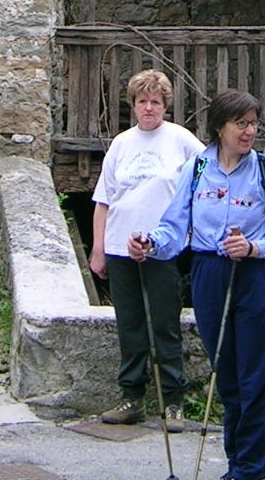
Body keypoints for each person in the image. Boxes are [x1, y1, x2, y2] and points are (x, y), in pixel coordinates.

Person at [129, 88, 265, 480]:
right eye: (241, 124)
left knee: (255, 378)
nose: (250, 132)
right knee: (225, 377)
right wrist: (149, 243)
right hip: (210, 273)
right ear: (220, 127)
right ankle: (234, 463)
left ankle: (249, 471)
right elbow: (174, 228)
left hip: (255, 276)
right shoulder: (197, 169)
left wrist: (254, 246)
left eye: (254, 124)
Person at [89, 69, 204, 430]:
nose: (149, 107)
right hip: (120, 246)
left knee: (166, 324)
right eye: (143, 101)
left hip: (163, 249)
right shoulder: (122, 144)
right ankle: (131, 397)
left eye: (156, 101)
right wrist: (98, 249)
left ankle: (173, 402)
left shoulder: (181, 141)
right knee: (130, 325)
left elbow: (206, 180)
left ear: (165, 105)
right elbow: (104, 200)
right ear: (133, 105)